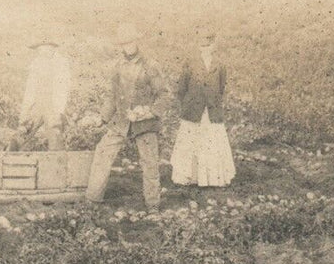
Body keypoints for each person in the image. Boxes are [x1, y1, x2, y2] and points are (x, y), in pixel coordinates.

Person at [85, 23, 167, 210]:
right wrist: (103, 118)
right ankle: (91, 201)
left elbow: (164, 95)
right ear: (120, 45)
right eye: (123, 43)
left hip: (144, 123)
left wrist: (149, 112)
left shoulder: (150, 66)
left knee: (150, 163)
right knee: (103, 153)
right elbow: (112, 96)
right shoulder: (117, 66)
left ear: (137, 42)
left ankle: (153, 205)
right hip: (121, 122)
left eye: (130, 42)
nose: (127, 46)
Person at [170, 32, 235, 188]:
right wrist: (189, 104)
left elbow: (221, 88)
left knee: (211, 141)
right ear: (198, 47)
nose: (205, 48)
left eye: (208, 45)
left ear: (213, 46)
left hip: (211, 111)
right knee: (190, 141)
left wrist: (211, 102)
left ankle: (212, 179)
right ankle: (190, 176)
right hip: (193, 111)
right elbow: (181, 89)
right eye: (202, 45)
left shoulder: (220, 65)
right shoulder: (190, 64)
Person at [18, 37, 71, 150]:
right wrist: (25, 114)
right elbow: (30, 91)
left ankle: (54, 164)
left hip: (53, 106)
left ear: (51, 48)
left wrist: (59, 111)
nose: (40, 52)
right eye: (39, 49)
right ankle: (9, 159)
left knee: (54, 135)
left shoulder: (61, 63)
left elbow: (62, 90)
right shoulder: (36, 64)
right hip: (37, 105)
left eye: (44, 48)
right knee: (23, 132)